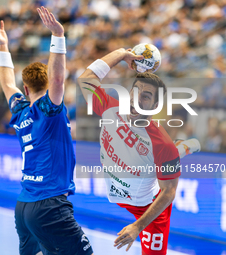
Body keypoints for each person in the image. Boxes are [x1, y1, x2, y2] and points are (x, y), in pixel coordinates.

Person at [0, 7, 94, 255]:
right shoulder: (49, 110)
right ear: (47, 85)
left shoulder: (20, 110)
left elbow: (6, 82)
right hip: (50, 205)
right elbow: (57, 81)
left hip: (24, 205)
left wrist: (3, 46)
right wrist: (58, 35)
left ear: (25, 88)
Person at [78, 48, 200, 254]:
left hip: (147, 205)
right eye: (135, 92)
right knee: (162, 156)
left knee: (167, 154)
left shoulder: (161, 145)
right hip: (123, 190)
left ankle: (182, 148)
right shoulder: (109, 108)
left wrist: (138, 226)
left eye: (146, 96)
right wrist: (120, 54)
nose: (137, 100)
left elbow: (169, 192)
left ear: (155, 104)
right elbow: (85, 79)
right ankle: (183, 147)